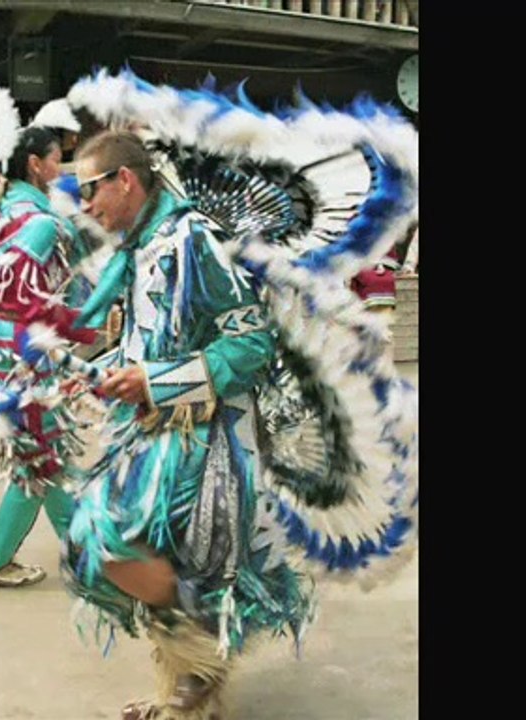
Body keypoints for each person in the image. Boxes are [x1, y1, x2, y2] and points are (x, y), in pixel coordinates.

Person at [59, 130, 315, 719]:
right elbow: (145, 340)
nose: (86, 206)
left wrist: (156, 381)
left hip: (202, 438)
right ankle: (185, 676)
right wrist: (102, 373)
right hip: (147, 431)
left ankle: (196, 670)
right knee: (99, 544)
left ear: (125, 180)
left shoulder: (193, 238)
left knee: (119, 540)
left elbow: (251, 345)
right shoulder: (139, 247)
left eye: (90, 190)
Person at [0, 127, 100, 587]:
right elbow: (14, 288)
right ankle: (74, 556)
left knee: (40, 452)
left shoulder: (4, 206)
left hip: (0, 347)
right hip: (24, 353)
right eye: (56, 159)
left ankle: (71, 552)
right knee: (41, 454)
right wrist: (73, 323)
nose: (60, 168)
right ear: (36, 163)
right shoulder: (37, 222)